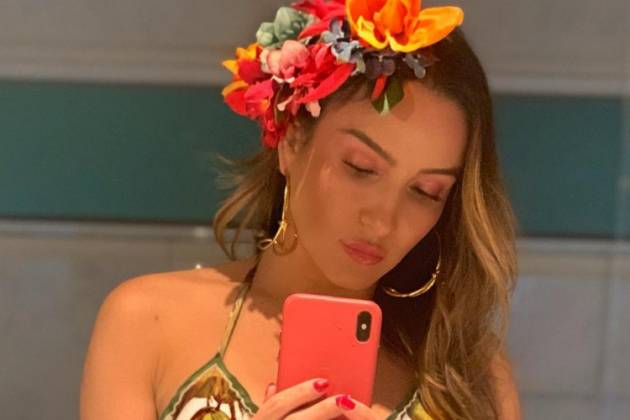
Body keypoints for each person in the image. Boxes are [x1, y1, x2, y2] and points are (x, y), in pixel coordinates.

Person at [80, 1, 522, 419]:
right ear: (292, 140)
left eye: (426, 192)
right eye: (360, 167)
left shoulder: (470, 372)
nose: (382, 220)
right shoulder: (149, 321)